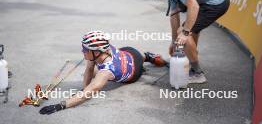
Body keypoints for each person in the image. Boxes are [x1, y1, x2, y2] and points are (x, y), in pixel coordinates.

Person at [39, 31, 167, 115]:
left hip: (135, 73)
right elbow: (88, 69)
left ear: (96, 51)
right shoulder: (104, 48)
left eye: (85, 49)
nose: (82, 51)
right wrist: (84, 87)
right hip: (129, 52)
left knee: (96, 75)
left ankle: (148, 57)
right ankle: (147, 56)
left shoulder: (105, 72)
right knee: (137, 55)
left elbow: (87, 94)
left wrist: (61, 105)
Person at [141, 0, 230, 84]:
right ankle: (191, 61)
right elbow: (174, 16)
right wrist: (174, 42)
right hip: (210, 2)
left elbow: (194, 6)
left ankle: (198, 74)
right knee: (186, 31)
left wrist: (185, 33)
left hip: (216, 3)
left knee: (184, 32)